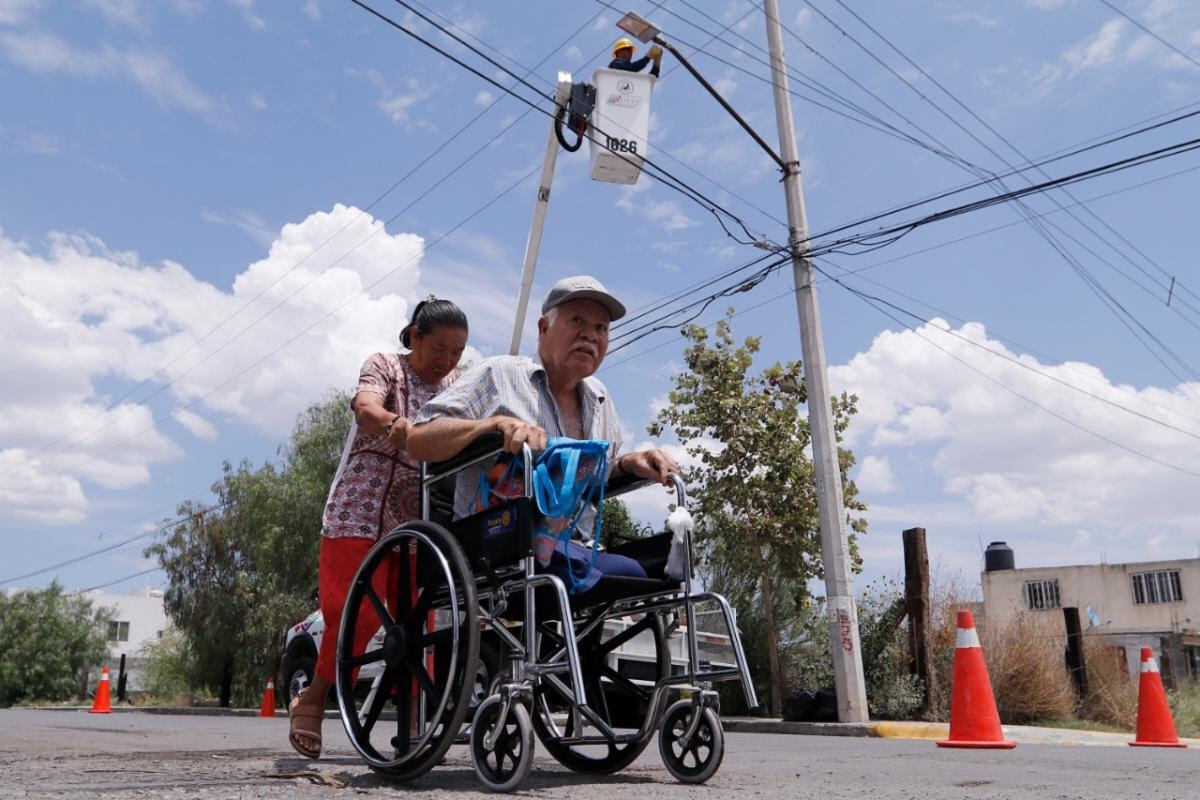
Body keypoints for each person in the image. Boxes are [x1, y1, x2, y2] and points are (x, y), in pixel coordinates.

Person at [406, 275, 678, 591]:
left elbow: (596, 479)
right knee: (616, 570)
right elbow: (418, 438)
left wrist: (631, 462)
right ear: (543, 328)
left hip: (575, 546)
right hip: (498, 541)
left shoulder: (599, 398)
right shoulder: (499, 375)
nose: (590, 335)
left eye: (601, 328)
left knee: (660, 570)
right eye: (577, 320)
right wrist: (491, 426)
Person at [288, 297, 468, 761]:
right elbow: (366, 408)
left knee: (417, 625)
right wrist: (398, 425)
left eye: (457, 352)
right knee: (358, 614)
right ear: (414, 337)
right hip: (359, 508)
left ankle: (413, 731)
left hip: (417, 519)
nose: (447, 361)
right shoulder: (384, 365)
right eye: (439, 348)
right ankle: (313, 699)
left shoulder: (457, 386)